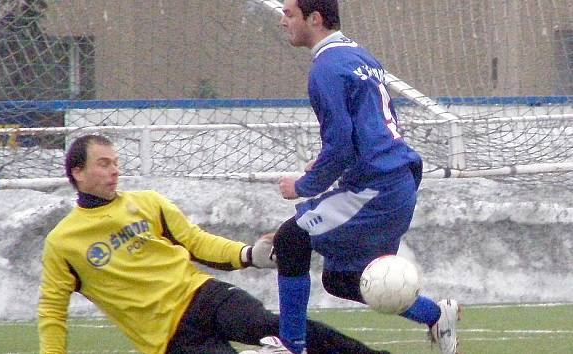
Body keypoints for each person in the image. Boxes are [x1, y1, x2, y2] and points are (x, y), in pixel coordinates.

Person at [37, 134, 390, 354]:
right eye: (103, 164)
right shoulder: (63, 243)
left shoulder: (147, 202)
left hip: (203, 296)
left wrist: (248, 254)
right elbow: (52, 311)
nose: (114, 170)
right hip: (169, 340)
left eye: (116, 162)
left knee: (275, 328)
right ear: (77, 173)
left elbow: (196, 242)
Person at [273, 1, 461, 354]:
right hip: (391, 182)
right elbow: (367, 129)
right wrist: (334, 164)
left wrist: (302, 186)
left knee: (291, 240)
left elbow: (341, 143)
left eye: (290, 14)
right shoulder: (360, 56)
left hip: (378, 187)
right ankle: (436, 314)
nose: (283, 22)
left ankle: (290, 346)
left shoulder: (325, 69)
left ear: (315, 18)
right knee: (340, 279)